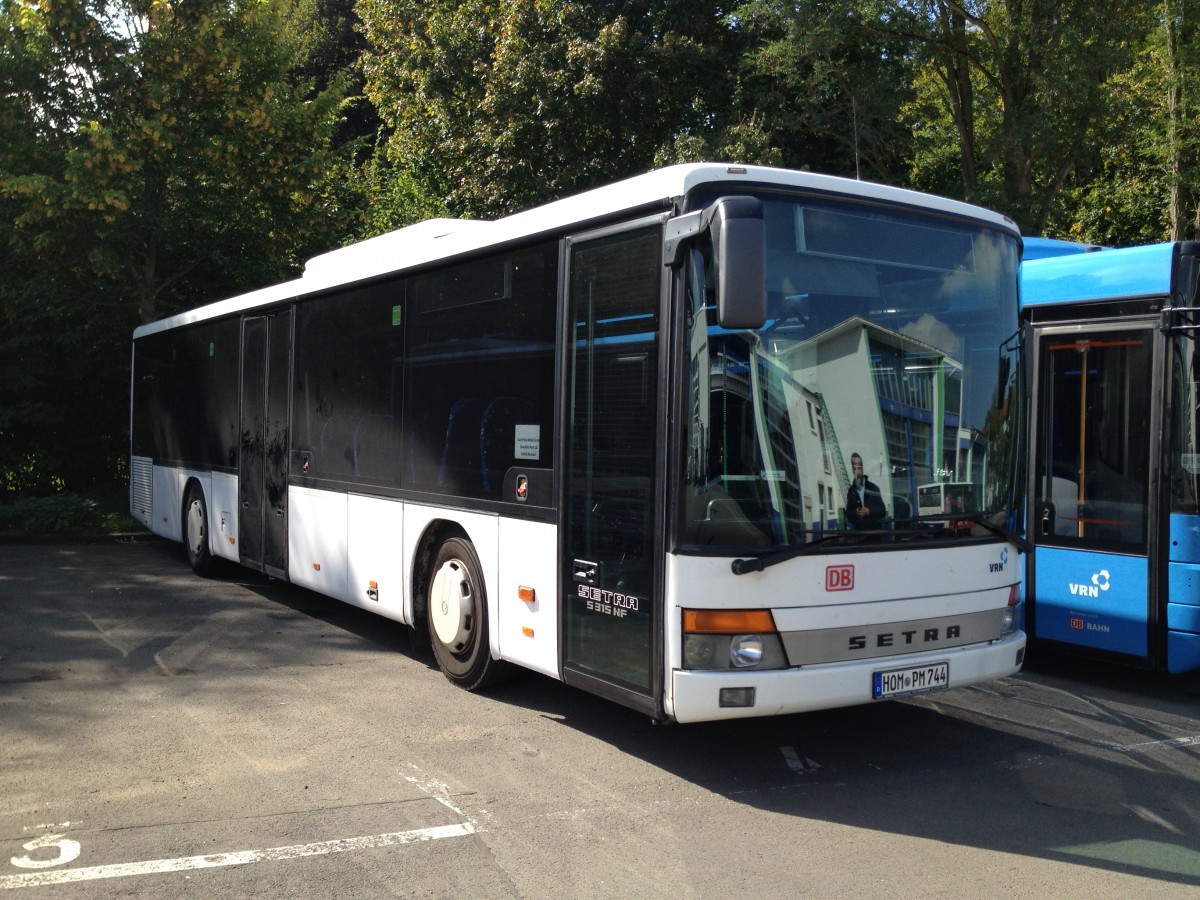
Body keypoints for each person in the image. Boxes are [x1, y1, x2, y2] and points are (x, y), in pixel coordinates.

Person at [846, 453, 886, 531]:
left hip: (874, 536)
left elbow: (882, 511)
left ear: (863, 469)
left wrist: (869, 511)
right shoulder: (851, 491)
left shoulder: (873, 488)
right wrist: (856, 513)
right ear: (852, 470)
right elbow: (849, 515)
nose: (857, 471)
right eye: (854, 468)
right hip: (859, 536)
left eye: (859, 468)